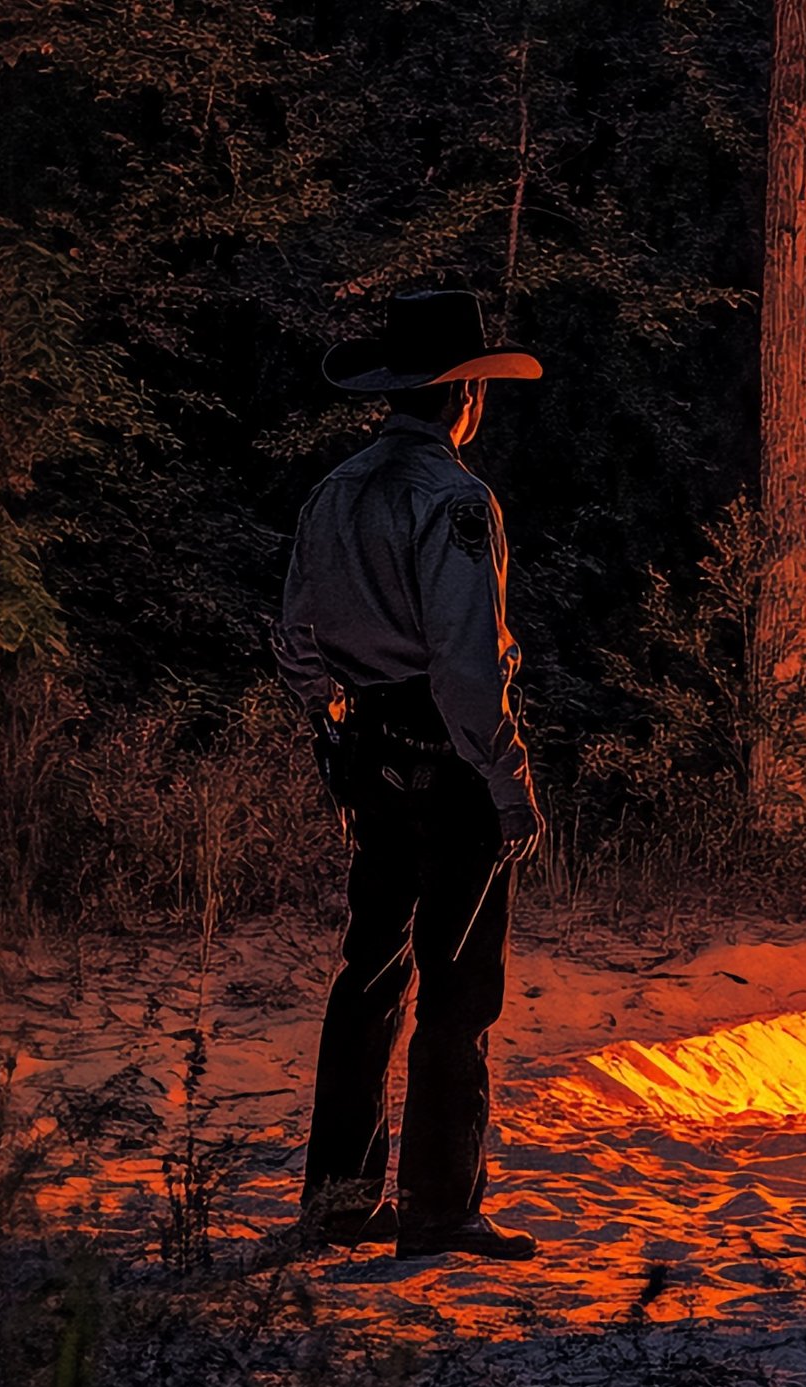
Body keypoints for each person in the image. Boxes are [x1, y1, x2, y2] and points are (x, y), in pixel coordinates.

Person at [274, 288, 547, 1260]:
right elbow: (467, 666)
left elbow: (296, 637)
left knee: (370, 971)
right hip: (448, 753)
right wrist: (509, 782)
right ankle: (439, 1206)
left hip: (372, 748)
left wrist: (336, 727)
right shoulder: (456, 499)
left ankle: (341, 1201)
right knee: (458, 984)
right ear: (462, 396)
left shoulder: (334, 490)